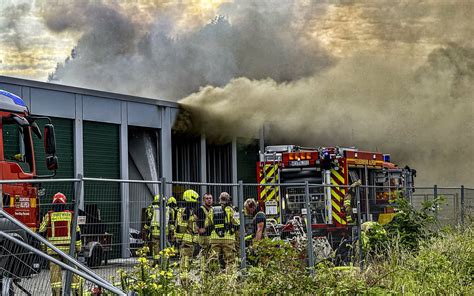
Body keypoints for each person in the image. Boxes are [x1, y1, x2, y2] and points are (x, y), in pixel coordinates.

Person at [39, 192, 81, 296]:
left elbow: (41, 232)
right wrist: (78, 247)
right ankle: (76, 293)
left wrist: (44, 248)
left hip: (53, 251)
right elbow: (77, 233)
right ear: (64, 203)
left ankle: (57, 294)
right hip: (69, 251)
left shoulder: (48, 216)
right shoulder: (70, 215)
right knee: (74, 274)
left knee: (55, 277)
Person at [208, 192, 240, 272]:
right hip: (228, 239)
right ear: (228, 199)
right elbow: (237, 223)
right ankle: (229, 279)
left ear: (219, 199)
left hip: (215, 239)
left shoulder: (212, 210)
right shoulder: (230, 210)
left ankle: (213, 278)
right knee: (230, 260)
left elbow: (207, 224)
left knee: (213, 259)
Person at [176, 189, 199, 281]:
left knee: (188, 260)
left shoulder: (189, 210)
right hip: (187, 240)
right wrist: (179, 238)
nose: (196, 203)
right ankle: (184, 280)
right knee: (185, 260)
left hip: (191, 240)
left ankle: (186, 278)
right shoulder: (185, 211)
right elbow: (181, 226)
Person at [144, 194, 168, 264]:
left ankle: (157, 262)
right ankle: (164, 262)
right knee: (164, 247)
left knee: (156, 247)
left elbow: (148, 220)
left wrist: (146, 229)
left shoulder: (152, 208)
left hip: (155, 232)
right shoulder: (168, 209)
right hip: (165, 232)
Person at [196, 193, 213, 273]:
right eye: (207, 198)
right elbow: (193, 221)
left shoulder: (213, 209)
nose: (209, 200)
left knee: (211, 254)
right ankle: (203, 270)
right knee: (204, 254)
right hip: (204, 236)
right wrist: (198, 229)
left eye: (210, 198)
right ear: (203, 200)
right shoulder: (200, 209)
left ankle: (209, 269)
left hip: (212, 236)